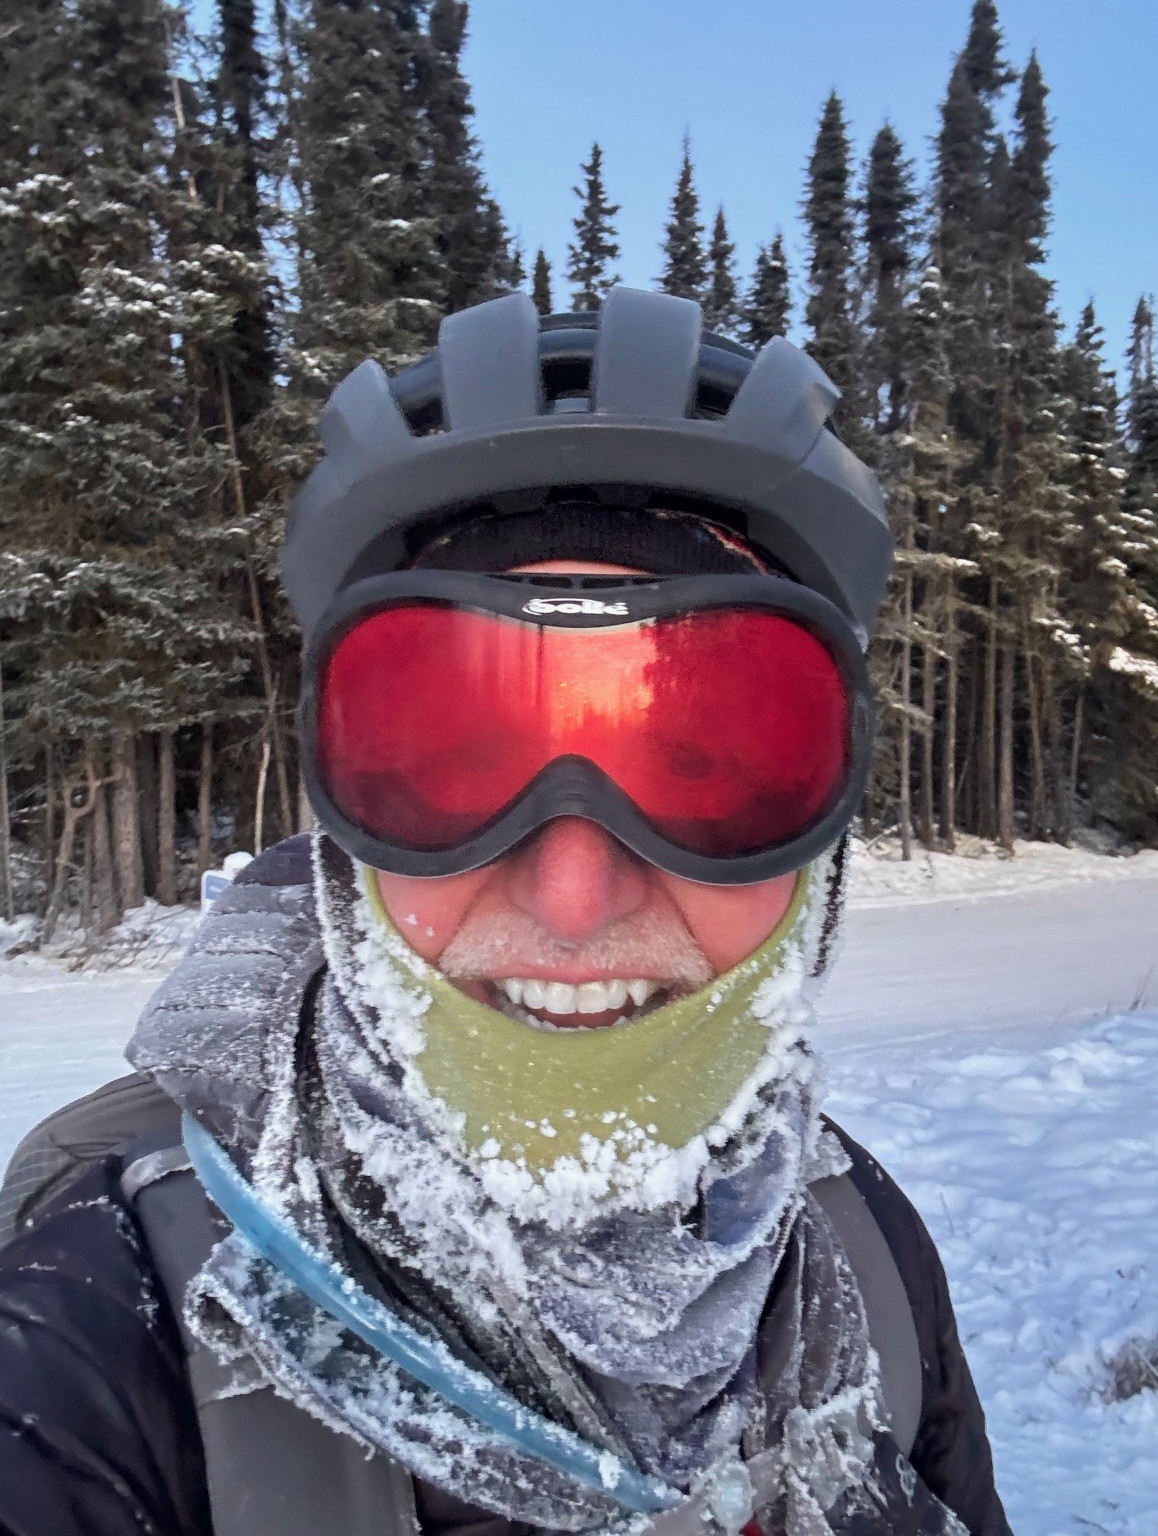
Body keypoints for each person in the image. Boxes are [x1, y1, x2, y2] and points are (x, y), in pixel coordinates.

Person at [0, 289, 1011, 1536]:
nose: (574, 894)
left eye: (706, 769)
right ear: (341, 833)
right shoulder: (97, 1342)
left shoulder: (859, 1253)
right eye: (451, 765)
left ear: (824, 852)